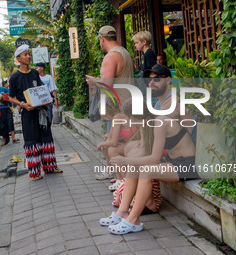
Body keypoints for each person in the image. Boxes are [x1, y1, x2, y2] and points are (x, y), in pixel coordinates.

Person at [100, 96, 198, 235]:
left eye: (126, 118)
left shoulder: (159, 122)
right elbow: (144, 149)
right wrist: (129, 160)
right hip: (173, 161)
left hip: (187, 165)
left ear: (132, 117)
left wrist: (125, 161)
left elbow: (153, 159)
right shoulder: (148, 122)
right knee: (135, 166)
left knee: (146, 171)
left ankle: (133, 220)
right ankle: (121, 213)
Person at [85, 25, 134, 180]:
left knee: (113, 143)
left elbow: (107, 83)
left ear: (102, 39)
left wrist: (93, 81)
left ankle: (119, 177)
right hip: (127, 104)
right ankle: (119, 175)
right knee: (122, 142)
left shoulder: (110, 56)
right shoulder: (125, 52)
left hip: (116, 107)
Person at [9, 45, 62, 181]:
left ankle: (50, 167)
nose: (28, 56)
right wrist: (22, 104)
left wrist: (48, 99)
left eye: (28, 54)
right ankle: (35, 172)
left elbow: (40, 89)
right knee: (32, 141)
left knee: (46, 138)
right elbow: (10, 97)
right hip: (28, 114)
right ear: (18, 59)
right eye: (25, 54)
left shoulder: (34, 73)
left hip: (41, 112)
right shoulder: (14, 77)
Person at [0, 77, 19, 145]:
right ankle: (4, 140)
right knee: (1, 125)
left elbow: (10, 96)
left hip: (7, 108)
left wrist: (6, 99)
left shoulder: (4, 89)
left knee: (10, 122)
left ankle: (13, 138)